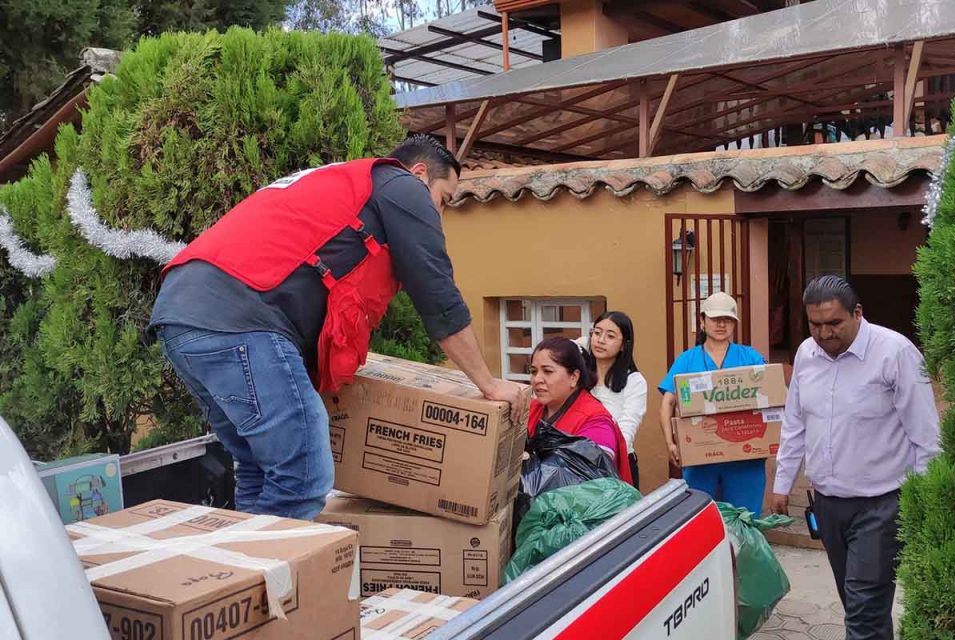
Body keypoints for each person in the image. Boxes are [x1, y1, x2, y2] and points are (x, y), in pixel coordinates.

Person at [148, 134, 526, 520]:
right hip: (239, 319)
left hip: (181, 318)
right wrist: (488, 384)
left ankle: (247, 557)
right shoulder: (402, 185)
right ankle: (275, 560)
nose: (439, 214)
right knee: (303, 478)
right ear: (419, 173)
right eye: (443, 199)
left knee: (260, 469)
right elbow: (437, 294)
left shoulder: (342, 182)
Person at [770, 275, 940, 640]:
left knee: (863, 609)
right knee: (860, 606)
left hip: (882, 506)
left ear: (857, 313)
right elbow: (795, 422)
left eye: (834, 323)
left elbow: (926, 437)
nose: (824, 333)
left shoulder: (895, 353)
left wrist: (925, 503)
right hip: (828, 505)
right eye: (815, 324)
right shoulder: (806, 354)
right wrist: (783, 483)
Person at [658, 291, 767, 515]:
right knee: (702, 519)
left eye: (727, 319)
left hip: (745, 459)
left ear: (734, 324)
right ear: (702, 321)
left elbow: (771, 395)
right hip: (701, 459)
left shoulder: (750, 357)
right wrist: (670, 443)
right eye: (715, 319)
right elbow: (667, 403)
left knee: (744, 522)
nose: (721, 324)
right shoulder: (687, 359)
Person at [528, 337, 633, 485]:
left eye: (548, 371)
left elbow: (585, 478)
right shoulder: (530, 409)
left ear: (574, 377)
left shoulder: (597, 421)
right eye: (533, 371)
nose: (537, 379)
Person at [577, 311, 648, 489]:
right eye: (597, 333)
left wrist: (602, 456)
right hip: (577, 463)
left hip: (616, 464)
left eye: (610, 336)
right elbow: (561, 349)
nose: (600, 340)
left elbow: (627, 427)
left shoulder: (634, 381)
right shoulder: (578, 376)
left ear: (623, 345)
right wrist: (583, 343)